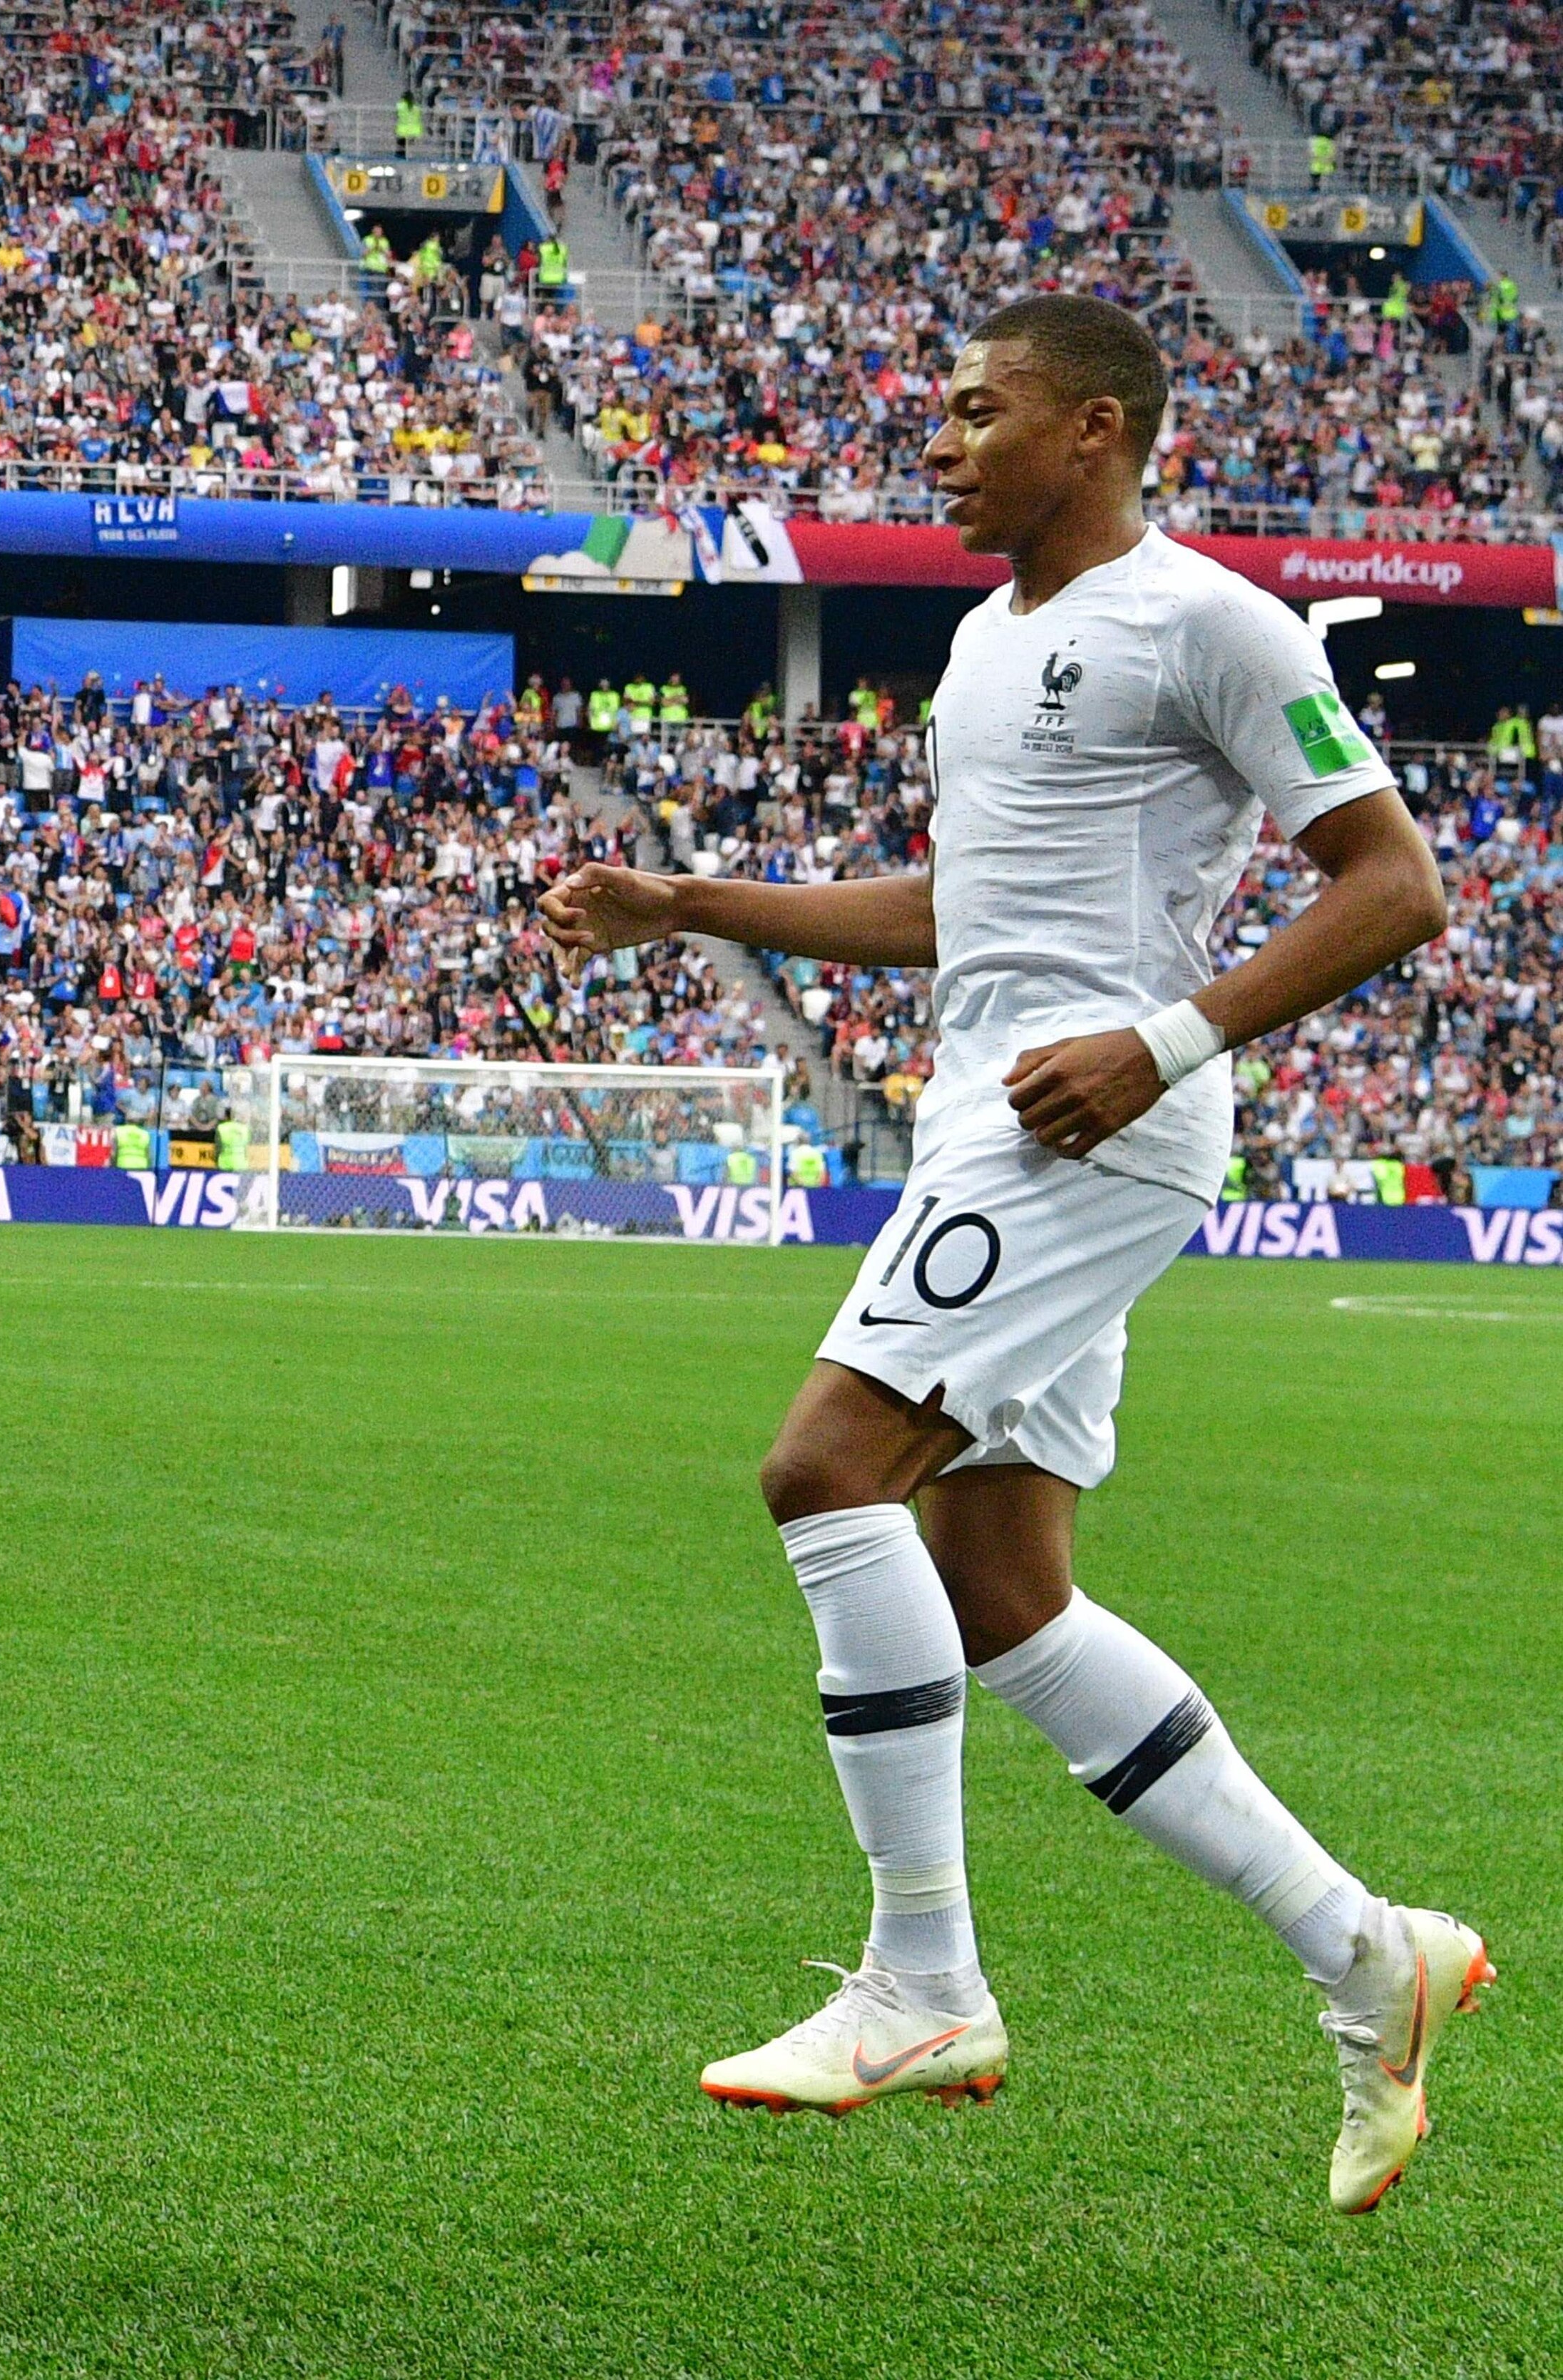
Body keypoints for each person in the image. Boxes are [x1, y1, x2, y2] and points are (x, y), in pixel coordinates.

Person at [538, 293, 1482, 2213]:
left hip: (1097, 1123)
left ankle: (925, 1978)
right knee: (1000, 1593)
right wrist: (685, 903)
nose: (944, 439)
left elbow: (1397, 883)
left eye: (982, 410)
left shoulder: (1213, 622)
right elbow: (964, 910)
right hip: (1000, 1111)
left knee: (823, 1469)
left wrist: (1167, 1036)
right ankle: (1365, 1950)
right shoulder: (988, 642)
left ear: (1100, 431)